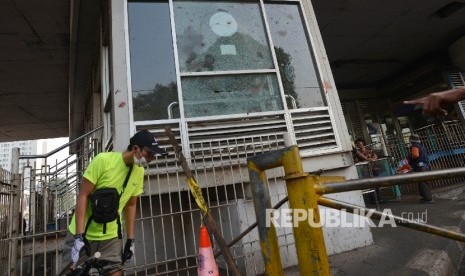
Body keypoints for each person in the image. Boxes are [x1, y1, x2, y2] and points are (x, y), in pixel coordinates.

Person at [60, 129, 167, 275]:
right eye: (149, 154)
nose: (151, 159)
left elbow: (131, 204)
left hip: (111, 239)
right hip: (84, 235)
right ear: (136, 149)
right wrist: (79, 236)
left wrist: (130, 240)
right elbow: (83, 195)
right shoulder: (103, 160)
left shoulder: (139, 172)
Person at [352, 138, 382, 203]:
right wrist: (368, 159)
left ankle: (379, 199)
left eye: (360, 142)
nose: (359, 144)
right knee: (369, 185)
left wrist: (369, 159)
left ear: (363, 143)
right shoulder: (357, 154)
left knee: (377, 184)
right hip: (365, 171)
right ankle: (373, 200)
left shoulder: (369, 151)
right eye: (357, 143)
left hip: (373, 169)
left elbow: (375, 157)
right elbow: (355, 161)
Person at [406, 134, 433, 203]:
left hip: (420, 167)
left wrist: (410, 157)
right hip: (426, 166)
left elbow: (415, 155)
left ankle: (428, 199)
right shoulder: (421, 146)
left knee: (422, 183)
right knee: (425, 182)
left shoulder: (414, 146)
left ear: (411, 140)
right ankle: (426, 197)